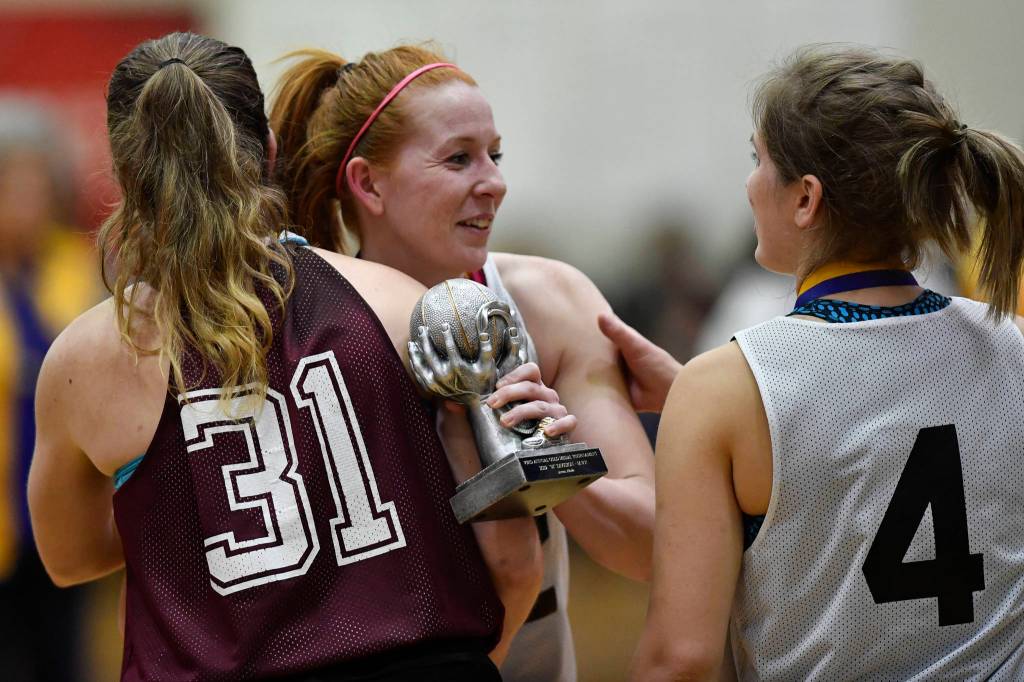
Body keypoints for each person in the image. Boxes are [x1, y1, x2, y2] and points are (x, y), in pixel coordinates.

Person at [26, 31, 578, 681]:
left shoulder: (82, 361)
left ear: (122, 169)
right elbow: (513, 561)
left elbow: (68, 558)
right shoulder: (402, 305)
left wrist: (203, 506)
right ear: (268, 151)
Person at [611, 45, 1024, 680]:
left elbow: (680, 660)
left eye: (758, 160)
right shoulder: (1015, 346)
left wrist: (706, 413)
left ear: (806, 198)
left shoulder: (722, 389)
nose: (750, 185)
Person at [269, 45, 657, 682]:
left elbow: (648, 548)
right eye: (459, 158)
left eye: (495, 154)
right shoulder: (297, 325)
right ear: (369, 183)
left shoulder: (548, 302)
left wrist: (548, 466)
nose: (495, 181)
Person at [0, 97, 103, 681]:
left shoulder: (80, 267)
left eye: (37, 186)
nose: (26, 202)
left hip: (64, 495)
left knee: (64, 656)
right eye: (13, 186)